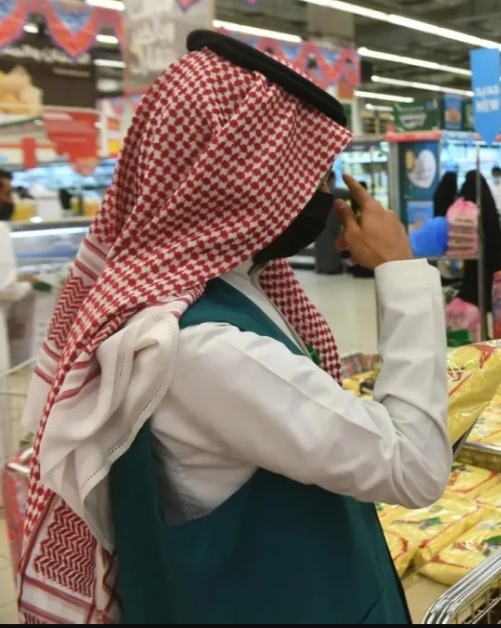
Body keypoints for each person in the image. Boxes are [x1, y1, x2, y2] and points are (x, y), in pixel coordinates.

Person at [16, 31, 449, 624]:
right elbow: (415, 466)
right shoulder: (201, 347)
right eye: (305, 176)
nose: (322, 198)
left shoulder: (213, 291)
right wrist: (401, 271)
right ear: (240, 178)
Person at [458, 169, 501, 310]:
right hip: (492, 253)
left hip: (473, 251)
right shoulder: (487, 202)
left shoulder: (466, 205)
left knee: (475, 280)